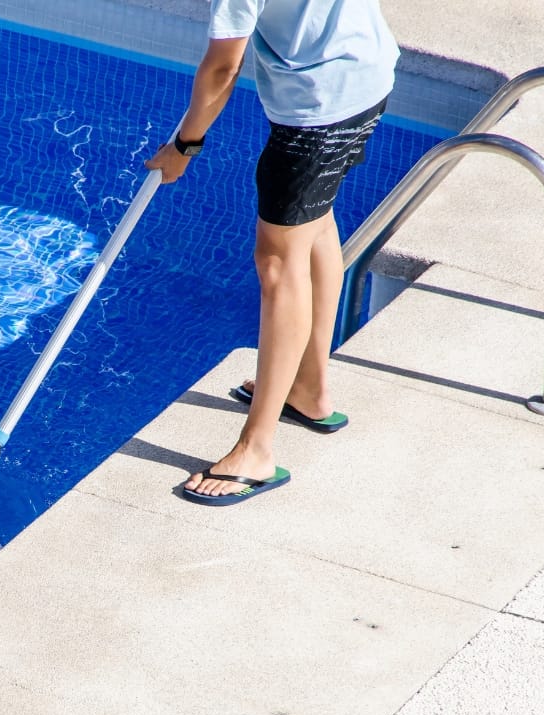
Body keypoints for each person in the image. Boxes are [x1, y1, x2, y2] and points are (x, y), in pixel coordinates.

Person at [145, 0, 400, 506]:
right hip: (366, 77)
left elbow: (223, 66)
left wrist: (185, 145)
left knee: (278, 264)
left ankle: (256, 450)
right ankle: (309, 388)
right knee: (315, 225)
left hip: (316, 112)